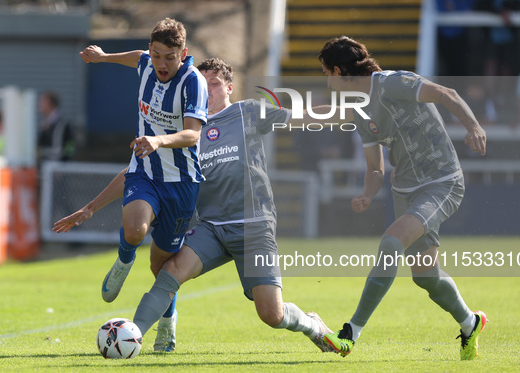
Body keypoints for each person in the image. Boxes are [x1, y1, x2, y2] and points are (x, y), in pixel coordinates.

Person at [53, 58, 335, 354]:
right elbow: (135, 172)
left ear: (229, 87)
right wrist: (91, 207)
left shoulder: (247, 111)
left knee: (271, 314)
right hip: (210, 228)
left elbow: (300, 117)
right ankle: (130, 338)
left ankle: (312, 325)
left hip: (254, 227)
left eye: (215, 84)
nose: (209, 90)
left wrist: (345, 114)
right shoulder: (184, 131)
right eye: (204, 84)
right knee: (169, 271)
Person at [316, 36, 488, 361]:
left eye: (326, 73)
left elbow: (445, 93)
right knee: (426, 277)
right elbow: (375, 169)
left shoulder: (394, 82)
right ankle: (470, 322)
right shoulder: (359, 110)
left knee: (391, 243)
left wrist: (473, 125)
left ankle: (351, 331)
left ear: (338, 71)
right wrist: (367, 195)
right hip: (405, 192)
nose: (327, 81)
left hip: (442, 183)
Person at [77, 18, 208, 352]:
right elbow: (136, 56)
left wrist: (159, 140)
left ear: (184, 54)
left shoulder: (193, 82)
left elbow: (193, 134)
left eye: (171, 57)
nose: (162, 64)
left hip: (181, 183)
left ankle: (168, 322)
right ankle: (123, 260)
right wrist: (104, 57)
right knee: (135, 230)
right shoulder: (146, 63)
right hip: (145, 171)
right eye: (158, 55)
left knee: (162, 267)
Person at [433, 0, 474, 76]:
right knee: (448, 67)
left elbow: (470, 6)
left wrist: (455, 7)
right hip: (445, 36)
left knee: (462, 67)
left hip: (461, 34)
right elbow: (440, 8)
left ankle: (461, 90)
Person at [37, 91, 75, 162]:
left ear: (49, 103)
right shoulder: (46, 124)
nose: (39, 105)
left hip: (58, 169)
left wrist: (40, 152)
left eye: (42, 102)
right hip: (49, 168)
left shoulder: (62, 124)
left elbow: (67, 150)